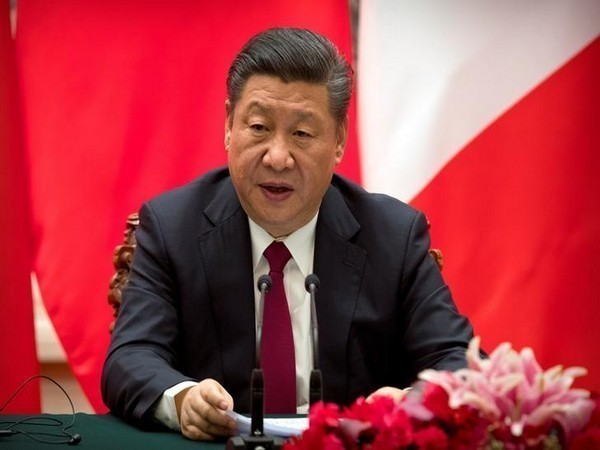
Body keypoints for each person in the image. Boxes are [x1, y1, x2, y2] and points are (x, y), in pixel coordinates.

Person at [101, 27, 476, 442]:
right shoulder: (174, 227)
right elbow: (131, 357)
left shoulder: (393, 235)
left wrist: (406, 405)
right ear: (229, 124)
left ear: (338, 140)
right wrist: (183, 399)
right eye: (259, 127)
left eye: (301, 134)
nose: (277, 157)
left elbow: (457, 359)